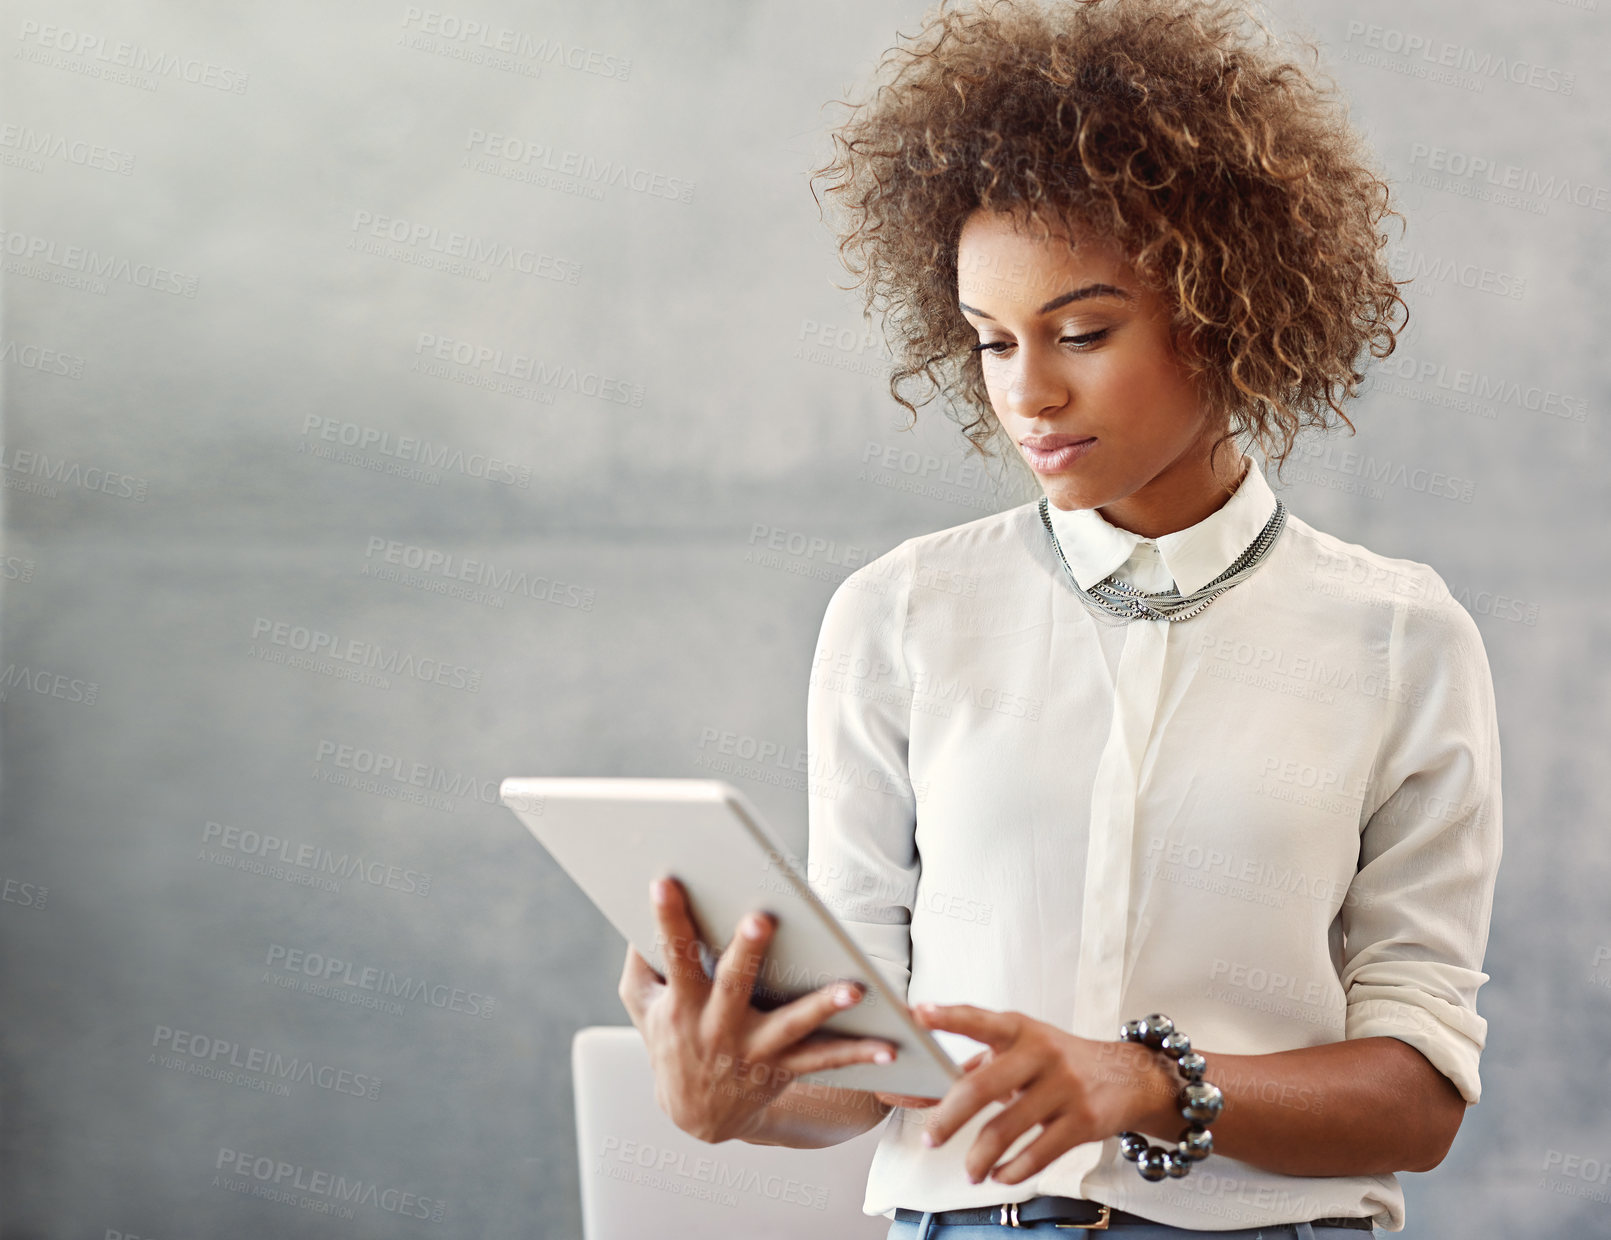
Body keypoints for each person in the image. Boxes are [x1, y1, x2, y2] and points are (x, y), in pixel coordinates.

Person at [617, 0, 1502, 1235]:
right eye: (989, 342)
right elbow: (869, 1072)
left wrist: (1145, 1081)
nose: (1027, 393)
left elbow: (1417, 1102)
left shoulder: (1399, 639)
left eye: (1082, 331)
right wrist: (736, 1095)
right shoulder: (903, 617)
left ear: (1225, 306)